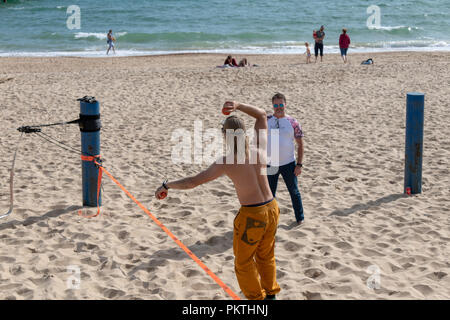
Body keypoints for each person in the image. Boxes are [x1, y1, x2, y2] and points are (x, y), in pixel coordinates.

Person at [155, 101, 281, 300]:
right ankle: (271, 294)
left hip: (252, 215)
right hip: (272, 209)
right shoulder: (259, 149)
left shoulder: (227, 161)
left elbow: (192, 182)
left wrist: (167, 184)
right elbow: (261, 115)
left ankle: (257, 299)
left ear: (225, 135)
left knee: (243, 262)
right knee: (266, 256)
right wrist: (238, 105)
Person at [266, 93, 305, 225]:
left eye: (281, 104)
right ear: (272, 106)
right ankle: (271, 220)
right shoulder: (267, 120)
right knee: (269, 195)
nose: (278, 107)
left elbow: (300, 144)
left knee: (294, 192)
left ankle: (300, 218)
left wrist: (299, 165)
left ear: (285, 104)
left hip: (289, 163)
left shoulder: (293, 122)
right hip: (270, 163)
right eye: (276, 105)